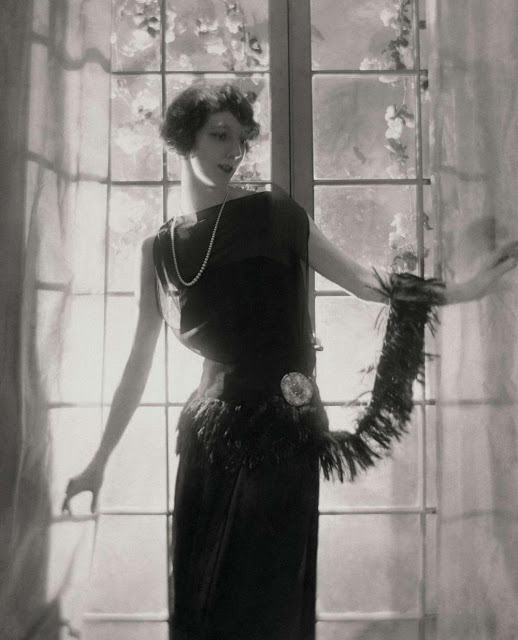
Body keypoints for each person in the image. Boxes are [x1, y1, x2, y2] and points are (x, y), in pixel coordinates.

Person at [62, 84, 518, 640]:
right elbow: (137, 363)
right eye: (219, 135)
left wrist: (466, 290)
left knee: (265, 605)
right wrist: (98, 461)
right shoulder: (156, 250)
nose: (233, 151)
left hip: (282, 438)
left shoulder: (273, 213)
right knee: (202, 603)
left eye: (240, 139)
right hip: (206, 445)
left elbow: (362, 281)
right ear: (185, 139)